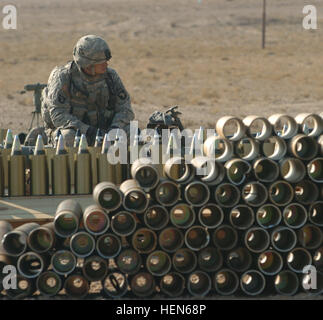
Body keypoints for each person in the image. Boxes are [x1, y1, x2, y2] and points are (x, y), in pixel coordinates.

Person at [41, 35, 135, 147]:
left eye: (106, 60)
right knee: (67, 137)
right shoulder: (63, 77)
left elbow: (126, 109)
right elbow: (58, 115)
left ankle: (127, 164)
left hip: (105, 131)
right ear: (87, 64)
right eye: (101, 61)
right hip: (76, 131)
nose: (106, 64)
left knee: (133, 132)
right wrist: (88, 131)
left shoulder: (111, 76)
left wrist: (115, 128)